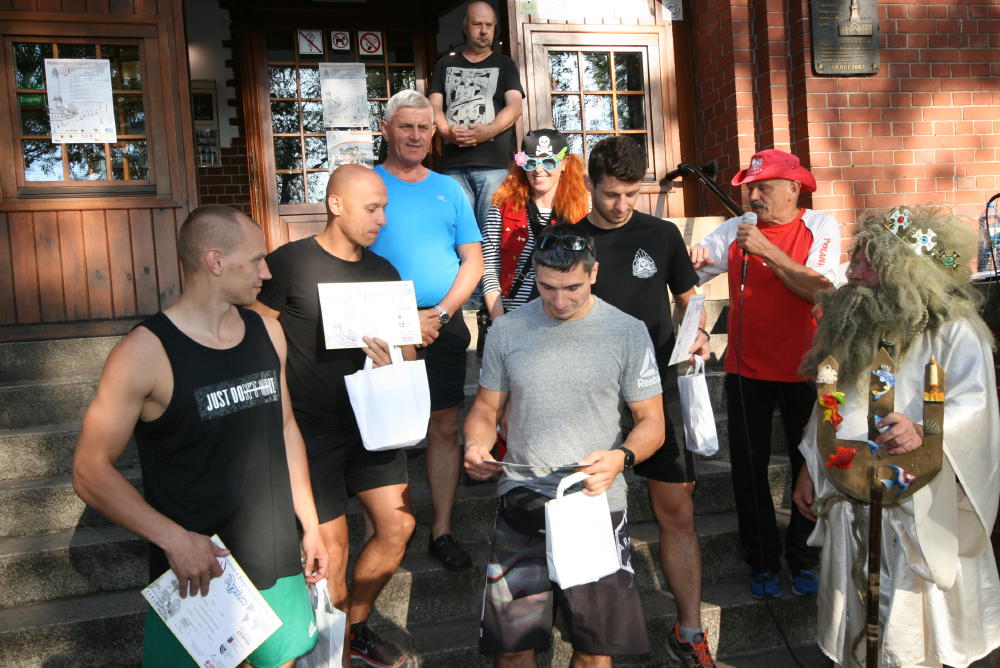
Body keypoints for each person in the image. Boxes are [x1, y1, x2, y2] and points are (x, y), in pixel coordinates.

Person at [71, 205, 328, 668]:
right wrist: (173, 539)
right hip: (198, 570)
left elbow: (286, 427)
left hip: (273, 551)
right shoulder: (143, 352)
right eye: (257, 260)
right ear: (215, 261)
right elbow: (89, 470)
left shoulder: (269, 332)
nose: (267, 273)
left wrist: (310, 522)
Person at [792, 206, 1000, 667]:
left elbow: (976, 405)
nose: (852, 272)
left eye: (866, 263)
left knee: (913, 635)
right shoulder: (854, 326)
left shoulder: (956, 330)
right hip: (849, 494)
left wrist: (926, 430)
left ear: (904, 269)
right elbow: (830, 402)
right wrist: (810, 463)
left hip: (920, 507)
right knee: (856, 626)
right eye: (855, 259)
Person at [464, 223, 665, 668]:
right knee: (512, 647)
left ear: (594, 273)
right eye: (547, 287)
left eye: (572, 287)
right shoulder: (507, 330)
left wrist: (621, 458)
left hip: (594, 505)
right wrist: (476, 444)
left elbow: (653, 423)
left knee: (595, 650)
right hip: (521, 499)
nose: (558, 300)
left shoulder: (627, 331)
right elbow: (485, 408)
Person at [251, 165, 416, 668]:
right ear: (335, 205)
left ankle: (356, 627)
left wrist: (397, 358)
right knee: (333, 556)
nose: (382, 219)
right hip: (309, 433)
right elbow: (255, 331)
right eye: (372, 208)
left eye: (384, 208)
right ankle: (333, 655)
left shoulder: (384, 271)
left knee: (398, 527)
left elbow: (408, 351)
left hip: (373, 426)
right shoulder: (289, 263)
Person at [575, 136, 715, 667]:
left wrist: (698, 332)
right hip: (590, 396)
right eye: (611, 194)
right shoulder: (569, 239)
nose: (621, 205)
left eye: (631, 194)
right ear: (590, 185)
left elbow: (690, 298)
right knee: (593, 517)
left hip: (655, 393)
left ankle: (690, 631)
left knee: (678, 511)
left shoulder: (661, 234)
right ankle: (596, 642)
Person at [688, 148, 841, 599]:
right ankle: (761, 561)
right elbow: (689, 274)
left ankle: (804, 557)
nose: (754, 196)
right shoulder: (736, 230)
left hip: (808, 370)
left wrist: (767, 250)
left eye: (764, 187)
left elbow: (822, 289)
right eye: (750, 188)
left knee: (809, 465)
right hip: (746, 369)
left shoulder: (821, 226)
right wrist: (694, 268)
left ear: (794, 188)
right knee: (748, 470)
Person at [369, 89, 484, 571]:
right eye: (405, 126)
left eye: (423, 127)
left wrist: (440, 314)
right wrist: (401, 322)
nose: (415, 136)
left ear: (433, 133)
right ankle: (387, 534)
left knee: (443, 426)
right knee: (386, 428)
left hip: (443, 322)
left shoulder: (449, 190)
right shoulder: (367, 184)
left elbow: (473, 261)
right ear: (386, 130)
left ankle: (442, 530)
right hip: (379, 326)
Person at [428, 0, 525, 231]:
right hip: (454, 167)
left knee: (492, 236)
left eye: (489, 25)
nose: (484, 31)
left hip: (494, 167)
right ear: (465, 27)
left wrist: (488, 131)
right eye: (477, 24)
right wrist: (446, 132)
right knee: (459, 234)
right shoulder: (445, 63)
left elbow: (515, 106)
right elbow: (433, 106)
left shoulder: (505, 64)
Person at [480, 128, 589, 320]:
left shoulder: (583, 209)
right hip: (515, 317)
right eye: (530, 163)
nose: (538, 170)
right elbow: (488, 268)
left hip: (566, 318)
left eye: (548, 162)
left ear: (564, 163)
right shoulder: (501, 208)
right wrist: (500, 323)